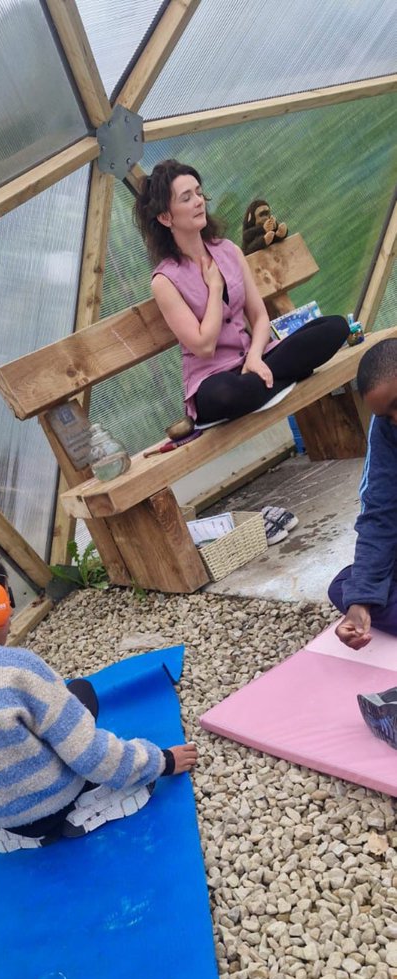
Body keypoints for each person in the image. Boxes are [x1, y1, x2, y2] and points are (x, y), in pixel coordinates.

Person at [0, 547, 197, 852]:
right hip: (54, 807)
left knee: (74, 696)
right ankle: (85, 809)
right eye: (6, 598)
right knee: (83, 695)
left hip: (0, 820)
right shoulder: (16, 669)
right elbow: (91, 757)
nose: (12, 610)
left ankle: (21, 835)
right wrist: (161, 761)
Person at [133, 159, 349, 427]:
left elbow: (259, 317)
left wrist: (256, 357)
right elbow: (203, 346)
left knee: (335, 327)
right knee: (228, 394)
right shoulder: (164, 281)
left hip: (254, 358)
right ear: (165, 217)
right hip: (214, 379)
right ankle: (287, 376)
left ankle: (264, 381)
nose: (199, 201)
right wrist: (215, 288)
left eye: (199, 193)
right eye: (187, 198)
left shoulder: (229, 250)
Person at [328, 337, 397, 650]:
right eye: (387, 416)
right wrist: (361, 602)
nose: (396, 421)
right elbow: (380, 513)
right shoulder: (386, 429)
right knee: (346, 587)